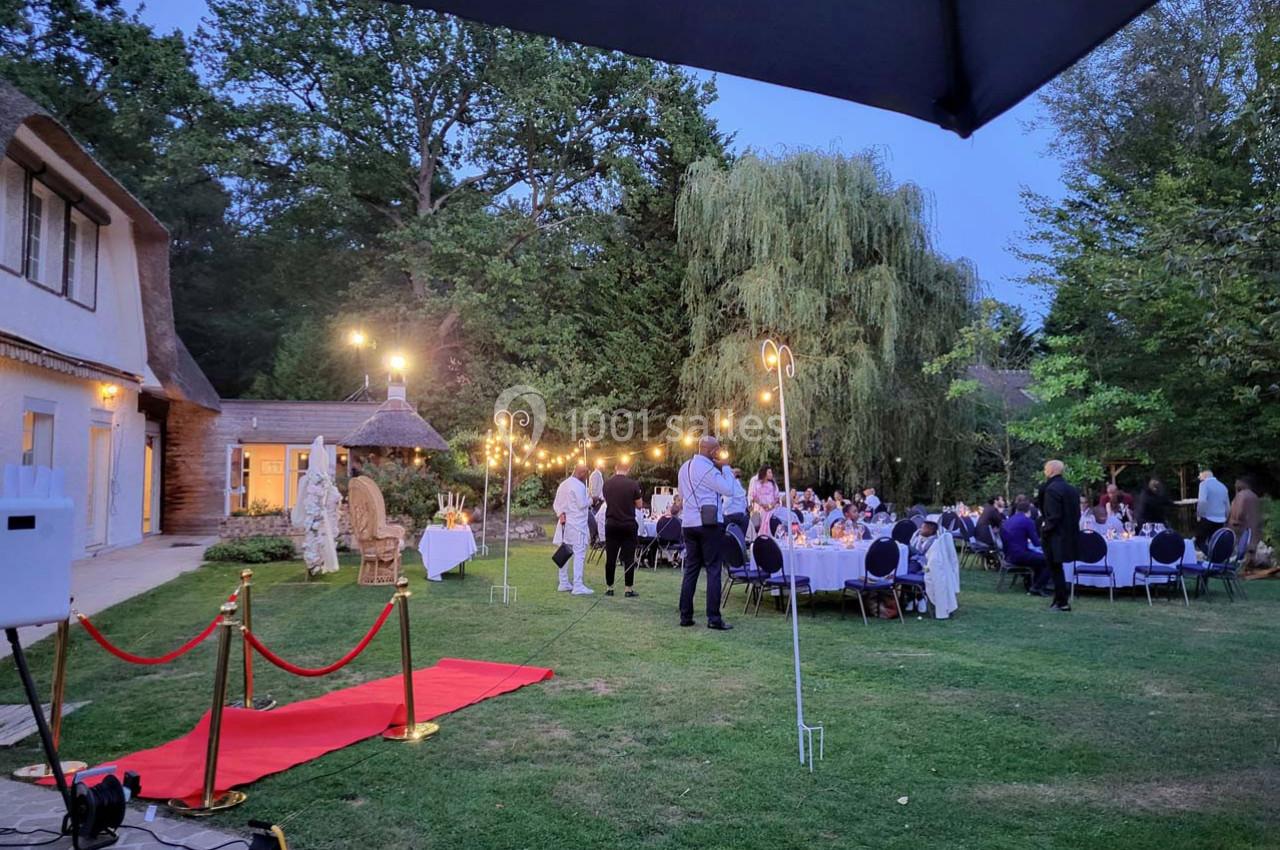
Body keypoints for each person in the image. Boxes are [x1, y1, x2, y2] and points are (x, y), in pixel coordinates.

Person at [677, 435, 735, 630]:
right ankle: (714, 618)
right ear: (712, 451)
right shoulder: (709, 469)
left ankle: (685, 615)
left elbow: (682, 494)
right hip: (709, 524)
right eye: (717, 450)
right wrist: (725, 466)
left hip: (688, 523)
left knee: (691, 569)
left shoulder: (684, 467)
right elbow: (729, 490)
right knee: (713, 569)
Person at [1038, 459, 1081, 612]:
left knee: (1055, 569)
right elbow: (1077, 514)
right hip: (1068, 534)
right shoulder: (1072, 489)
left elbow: (1053, 516)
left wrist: (1044, 529)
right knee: (1057, 569)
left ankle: (1061, 601)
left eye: (1045, 469)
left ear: (1050, 471)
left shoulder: (1051, 489)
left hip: (1054, 536)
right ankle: (1059, 599)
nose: (1044, 472)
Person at [601, 459, 643, 597]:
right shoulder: (633, 485)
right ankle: (628, 588)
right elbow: (639, 505)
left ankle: (609, 587)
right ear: (628, 469)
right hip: (628, 524)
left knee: (611, 557)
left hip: (611, 523)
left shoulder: (607, 484)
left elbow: (608, 501)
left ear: (615, 467)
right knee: (629, 557)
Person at [553, 462, 594, 595]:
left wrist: (560, 514)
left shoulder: (563, 484)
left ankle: (563, 582)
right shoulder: (579, 486)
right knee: (579, 555)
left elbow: (556, 504)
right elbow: (582, 504)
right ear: (582, 473)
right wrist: (591, 500)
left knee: (565, 553)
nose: (586, 478)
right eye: (586, 475)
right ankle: (578, 585)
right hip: (577, 525)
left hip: (565, 525)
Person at [1003, 495, 1050, 595]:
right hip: (1019, 555)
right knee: (1050, 560)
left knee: (1039, 560)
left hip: (1008, 555)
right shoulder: (1028, 521)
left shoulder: (1008, 521)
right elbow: (1036, 543)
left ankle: (1034, 585)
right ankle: (1037, 587)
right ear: (1028, 511)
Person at [1228, 476, 1262, 569]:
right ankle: (1248, 565)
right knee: (1249, 549)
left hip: (1240, 527)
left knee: (1242, 549)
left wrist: (1234, 521)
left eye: (1237, 483)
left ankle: (1242, 566)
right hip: (1248, 527)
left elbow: (1238, 513)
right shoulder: (1253, 496)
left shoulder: (1242, 496)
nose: (1235, 484)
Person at [1196, 466, 1230, 551]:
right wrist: (1226, 518)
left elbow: (1202, 502)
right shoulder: (1223, 486)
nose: (1199, 477)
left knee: (1199, 541)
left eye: (1200, 475)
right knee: (1214, 541)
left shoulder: (1204, 484)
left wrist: (1199, 515)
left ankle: (1209, 557)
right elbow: (1227, 506)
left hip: (1208, 518)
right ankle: (1216, 559)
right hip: (1221, 519)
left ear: (1205, 474)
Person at [722, 466, 750, 535]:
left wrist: (720, 512)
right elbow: (744, 500)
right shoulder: (737, 483)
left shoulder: (728, 483)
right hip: (742, 515)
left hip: (731, 515)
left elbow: (728, 501)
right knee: (740, 539)